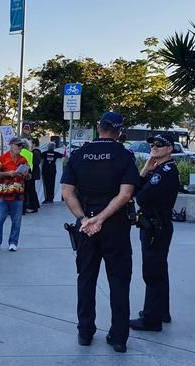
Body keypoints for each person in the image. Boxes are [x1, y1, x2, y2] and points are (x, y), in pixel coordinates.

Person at [61, 112, 139, 353]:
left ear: (98, 127)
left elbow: (66, 192)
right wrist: (102, 218)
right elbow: (126, 194)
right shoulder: (124, 155)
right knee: (118, 281)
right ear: (119, 131)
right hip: (114, 225)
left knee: (86, 278)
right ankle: (118, 337)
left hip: (85, 227)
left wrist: (86, 219)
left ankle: (85, 332)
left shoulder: (78, 154)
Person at [129, 133, 180, 331]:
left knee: (152, 272)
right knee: (159, 270)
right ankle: (161, 312)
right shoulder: (159, 169)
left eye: (160, 144)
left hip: (155, 227)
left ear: (170, 149)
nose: (154, 147)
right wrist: (145, 170)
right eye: (152, 143)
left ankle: (151, 319)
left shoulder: (164, 172)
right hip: (157, 225)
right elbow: (139, 190)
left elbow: (139, 197)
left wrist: (145, 174)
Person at [0, 137, 30, 252]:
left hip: (18, 195)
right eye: (17, 145)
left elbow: (28, 176)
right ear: (11, 145)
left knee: (17, 220)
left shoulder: (23, 160)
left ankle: (13, 242)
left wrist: (26, 174)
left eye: (21, 145)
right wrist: (8, 173)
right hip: (3, 195)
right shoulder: (2, 159)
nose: (19, 147)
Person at [25, 138, 42, 213]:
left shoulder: (35, 152)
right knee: (31, 190)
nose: (29, 144)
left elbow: (35, 163)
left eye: (30, 143)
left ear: (33, 144)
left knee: (31, 190)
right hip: (32, 173)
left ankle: (33, 206)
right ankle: (33, 205)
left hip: (32, 173)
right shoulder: (35, 152)